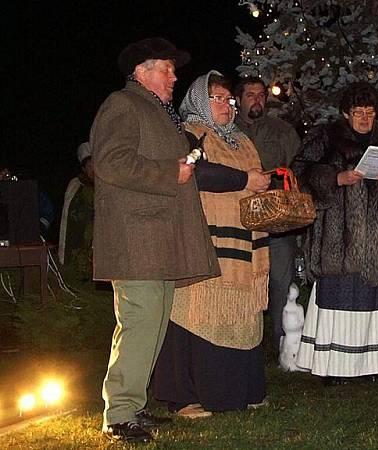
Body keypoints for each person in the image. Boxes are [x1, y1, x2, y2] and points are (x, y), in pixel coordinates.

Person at [90, 37, 220, 443]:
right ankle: (119, 414)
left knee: (153, 326)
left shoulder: (159, 112)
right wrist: (169, 171)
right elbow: (110, 162)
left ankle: (134, 406)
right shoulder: (122, 104)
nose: (174, 76)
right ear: (141, 72)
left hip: (158, 239)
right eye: (166, 69)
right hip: (136, 239)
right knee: (139, 324)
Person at [151, 71, 272, 417]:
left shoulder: (242, 140)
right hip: (204, 243)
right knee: (194, 315)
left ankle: (241, 390)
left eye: (230, 100)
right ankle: (185, 396)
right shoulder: (188, 134)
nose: (227, 106)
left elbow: (254, 180)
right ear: (200, 101)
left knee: (240, 317)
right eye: (217, 99)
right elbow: (197, 174)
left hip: (245, 246)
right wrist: (245, 179)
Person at [292, 82, 378, 384]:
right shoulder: (326, 139)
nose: (364, 119)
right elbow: (299, 174)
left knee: (369, 303)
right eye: (357, 113)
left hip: (377, 241)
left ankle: (367, 366)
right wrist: (335, 178)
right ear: (345, 114)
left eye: (369, 113)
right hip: (336, 239)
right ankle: (331, 367)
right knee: (337, 300)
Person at [235, 77, 303, 354]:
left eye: (261, 95)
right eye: (250, 95)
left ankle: (280, 343)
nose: (257, 100)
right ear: (239, 99)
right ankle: (240, 341)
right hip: (238, 220)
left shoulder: (282, 131)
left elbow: (298, 168)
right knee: (240, 280)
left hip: (276, 222)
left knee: (280, 281)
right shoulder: (227, 130)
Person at [58, 142, 95, 280]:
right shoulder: (76, 184)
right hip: (80, 238)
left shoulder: (106, 185)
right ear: (84, 168)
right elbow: (68, 217)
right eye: (90, 166)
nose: (93, 169)